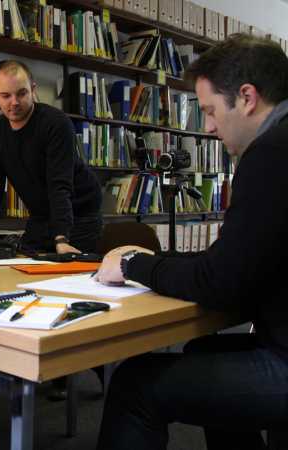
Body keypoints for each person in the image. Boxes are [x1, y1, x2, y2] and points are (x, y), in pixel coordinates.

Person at [94, 34, 288, 450]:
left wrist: (131, 265)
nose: (210, 127)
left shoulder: (271, 153)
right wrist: (159, 260)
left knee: (135, 385)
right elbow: (240, 258)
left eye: (210, 111)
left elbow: (221, 283)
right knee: (204, 350)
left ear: (247, 98)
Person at [0, 60, 103, 254]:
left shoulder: (56, 123)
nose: (14, 102)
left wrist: (61, 239)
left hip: (79, 213)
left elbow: (59, 185)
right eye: (6, 96)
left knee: (66, 266)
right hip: (41, 216)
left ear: (33, 90)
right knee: (23, 261)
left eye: (21, 93)